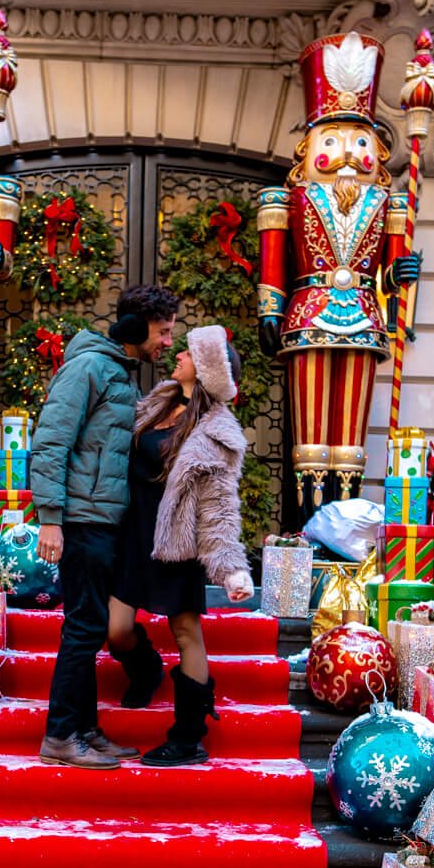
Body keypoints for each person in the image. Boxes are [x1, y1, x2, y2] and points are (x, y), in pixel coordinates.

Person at [31, 283, 179, 768]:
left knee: (91, 626)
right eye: (163, 331)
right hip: (83, 519)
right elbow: (51, 442)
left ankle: (85, 729)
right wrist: (50, 519)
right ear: (136, 328)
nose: (167, 342)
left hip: (107, 520)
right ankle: (59, 736)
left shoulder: (120, 373)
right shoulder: (89, 367)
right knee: (82, 628)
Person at [108, 324, 255, 766]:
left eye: (189, 352)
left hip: (177, 542)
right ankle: (146, 668)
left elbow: (219, 507)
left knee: (187, 632)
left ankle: (188, 737)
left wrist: (231, 568)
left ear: (206, 368)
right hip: (133, 535)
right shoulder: (159, 401)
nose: (178, 355)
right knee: (115, 629)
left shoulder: (217, 432)